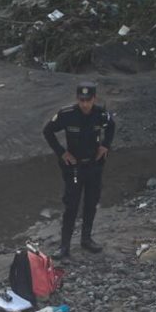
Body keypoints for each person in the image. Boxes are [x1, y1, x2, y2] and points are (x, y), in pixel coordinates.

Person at [42, 82, 116, 259]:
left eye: (88, 100)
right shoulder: (67, 114)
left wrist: (105, 146)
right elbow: (48, 131)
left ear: (94, 99)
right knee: (72, 205)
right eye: (81, 100)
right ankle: (64, 246)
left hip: (94, 166)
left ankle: (86, 239)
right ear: (77, 99)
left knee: (91, 203)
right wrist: (62, 153)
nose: (85, 104)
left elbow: (111, 126)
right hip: (74, 168)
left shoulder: (100, 114)